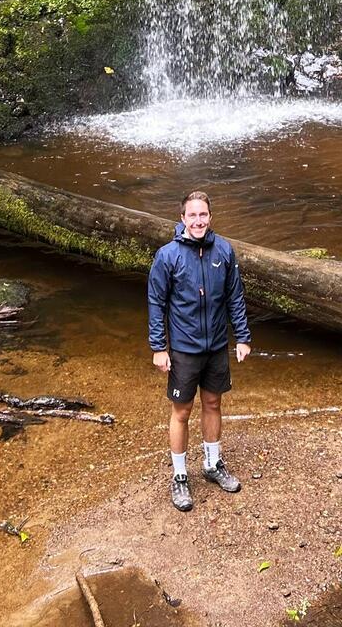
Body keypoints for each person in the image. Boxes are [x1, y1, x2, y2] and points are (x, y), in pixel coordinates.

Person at [148, 189, 251, 512]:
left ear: (210, 217)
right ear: (182, 219)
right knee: (181, 411)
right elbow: (156, 302)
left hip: (217, 344)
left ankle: (212, 464)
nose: (198, 221)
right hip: (184, 348)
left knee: (213, 402)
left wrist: (243, 338)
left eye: (202, 215)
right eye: (192, 215)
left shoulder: (224, 250)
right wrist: (158, 347)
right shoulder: (168, 256)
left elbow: (235, 297)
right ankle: (179, 476)